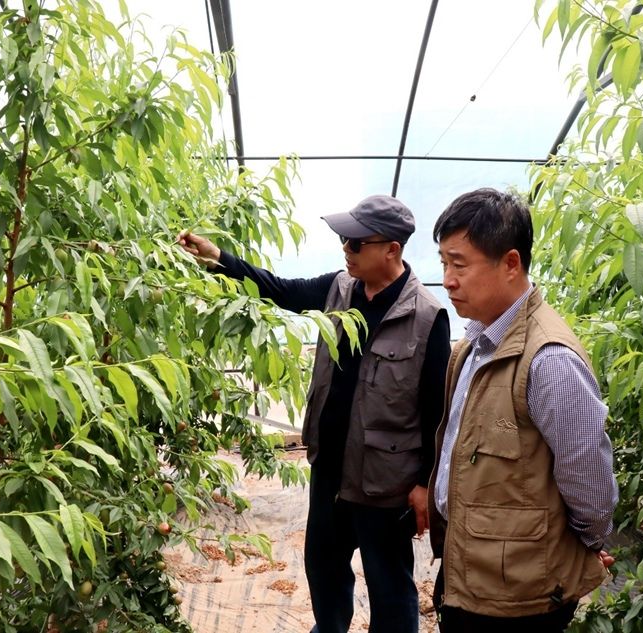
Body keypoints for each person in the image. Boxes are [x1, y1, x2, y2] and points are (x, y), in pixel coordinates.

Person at [179, 195, 451, 633]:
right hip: (330, 471)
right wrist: (220, 259)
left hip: (385, 482)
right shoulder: (338, 288)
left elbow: (437, 412)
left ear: (392, 250)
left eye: (356, 242)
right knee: (324, 570)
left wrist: (424, 483)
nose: (345, 248)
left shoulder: (427, 317)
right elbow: (279, 289)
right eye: (344, 239)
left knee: (390, 586)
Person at [428, 188, 618, 632]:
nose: (448, 280)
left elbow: (589, 483)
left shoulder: (549, 360)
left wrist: (582, 546)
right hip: (471, 572)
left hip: (520, 597)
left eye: (459, 264)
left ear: (511, 263)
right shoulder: (473, 345)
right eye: (443, 264)